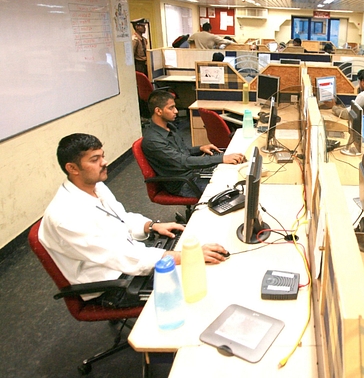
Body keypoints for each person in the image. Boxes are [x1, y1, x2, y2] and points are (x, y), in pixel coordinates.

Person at [39, 133, 230, 306]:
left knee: (199, 246)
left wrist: (151, 226)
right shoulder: (65, 216)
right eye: (95, 160)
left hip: (130, 257)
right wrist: (186, 256)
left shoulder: (95, 187)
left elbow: (121, 218)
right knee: (203, 283)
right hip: (114, 282)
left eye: (102, 156)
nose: (105, 162)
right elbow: (120, 256)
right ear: (72, 168)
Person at [142, 90, 246, 198]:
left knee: (235, 173)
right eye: (171, 108)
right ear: (158, 111)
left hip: (193, 172)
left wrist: (200, 148)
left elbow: (181, 152)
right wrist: (222, 158)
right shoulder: (153, 140)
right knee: (234, 193)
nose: (176, 111)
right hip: (185, 183)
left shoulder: (168, 127)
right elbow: (182, 161)